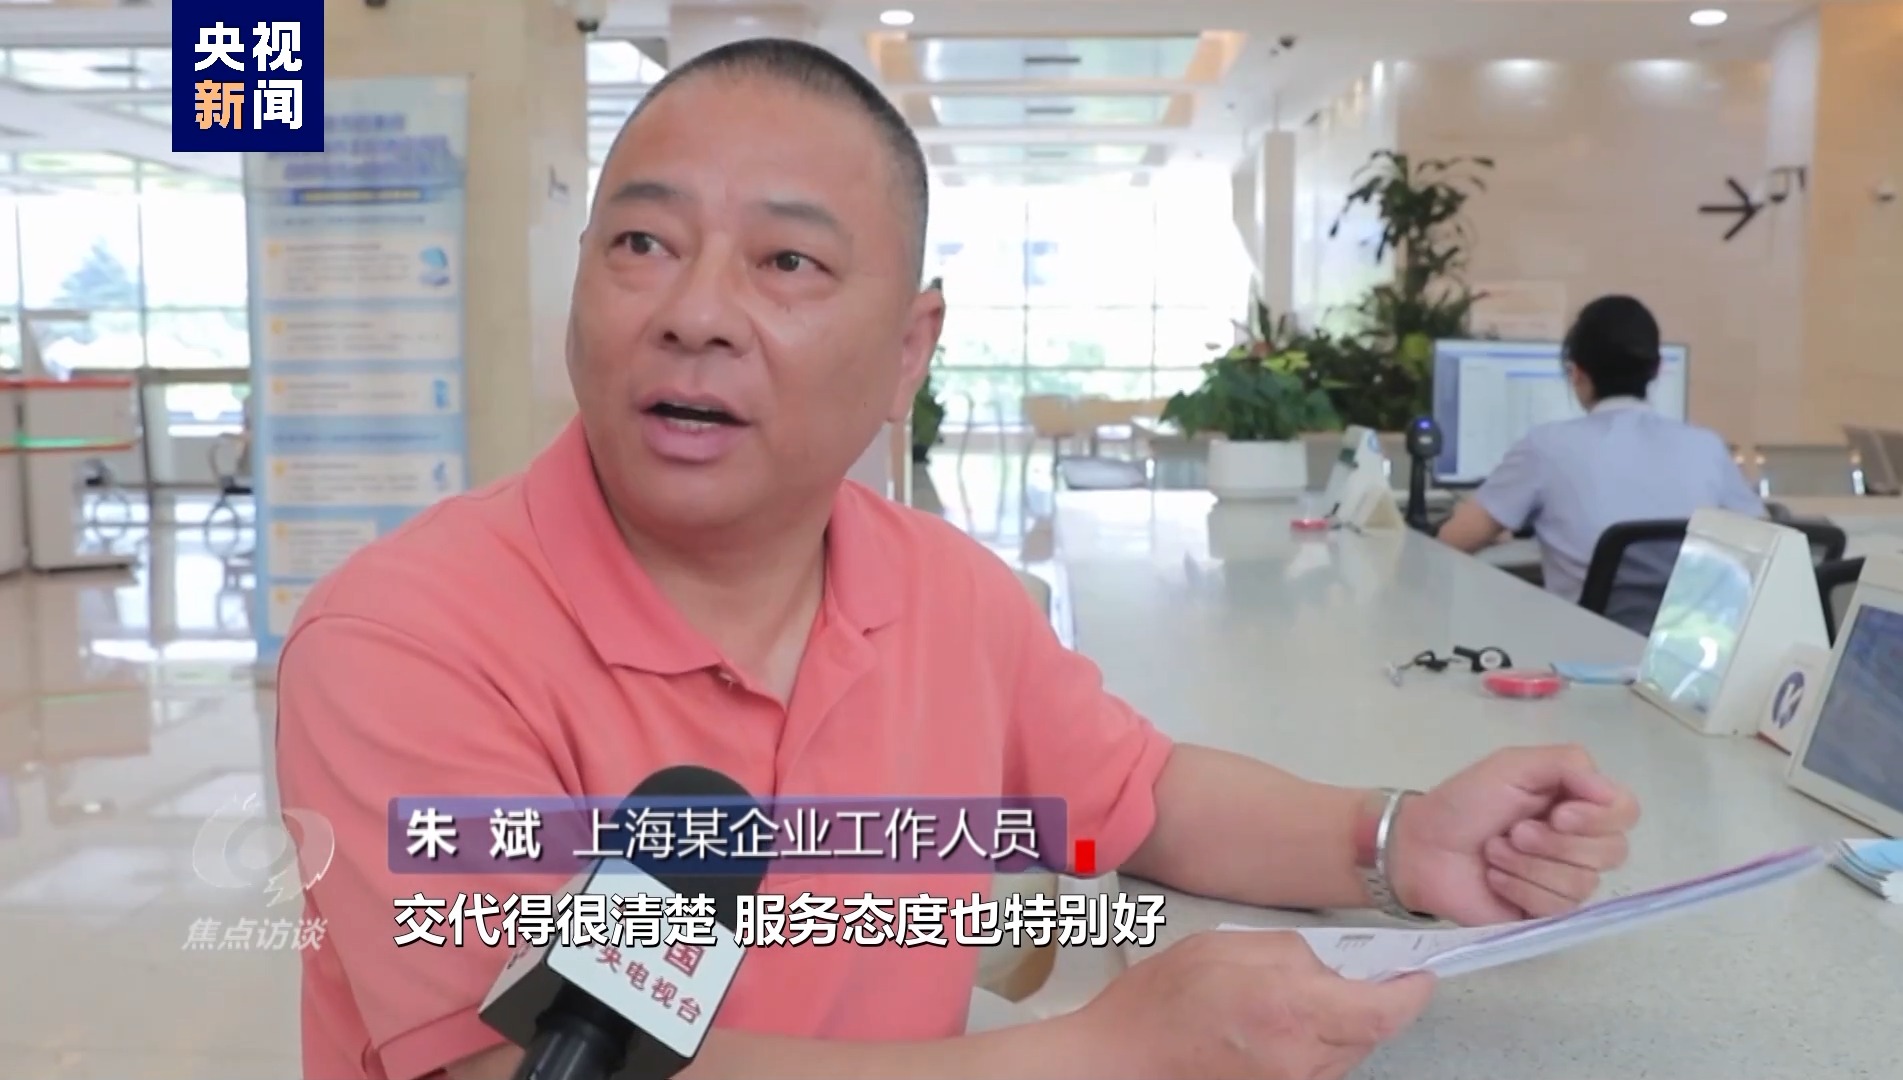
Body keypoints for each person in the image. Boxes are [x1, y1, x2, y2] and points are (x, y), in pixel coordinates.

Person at [276, 39, 1642, 1080]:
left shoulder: (945, 594)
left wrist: (1394, 838)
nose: (696, 313)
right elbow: (531, 1070)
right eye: (643, 243)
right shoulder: (408, 638)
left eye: (787, 263)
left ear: (909, 349)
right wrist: (1106, 1053)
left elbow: (1141, 795)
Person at [1438, 295, 1766, 634]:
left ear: (1577, 374)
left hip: (1584, 655)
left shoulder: (1545, 446)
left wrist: (1500, 526)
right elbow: (1768, 546)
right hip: (1690, 656)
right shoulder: (1706, 447)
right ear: (1656, 370)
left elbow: (1450, 543)